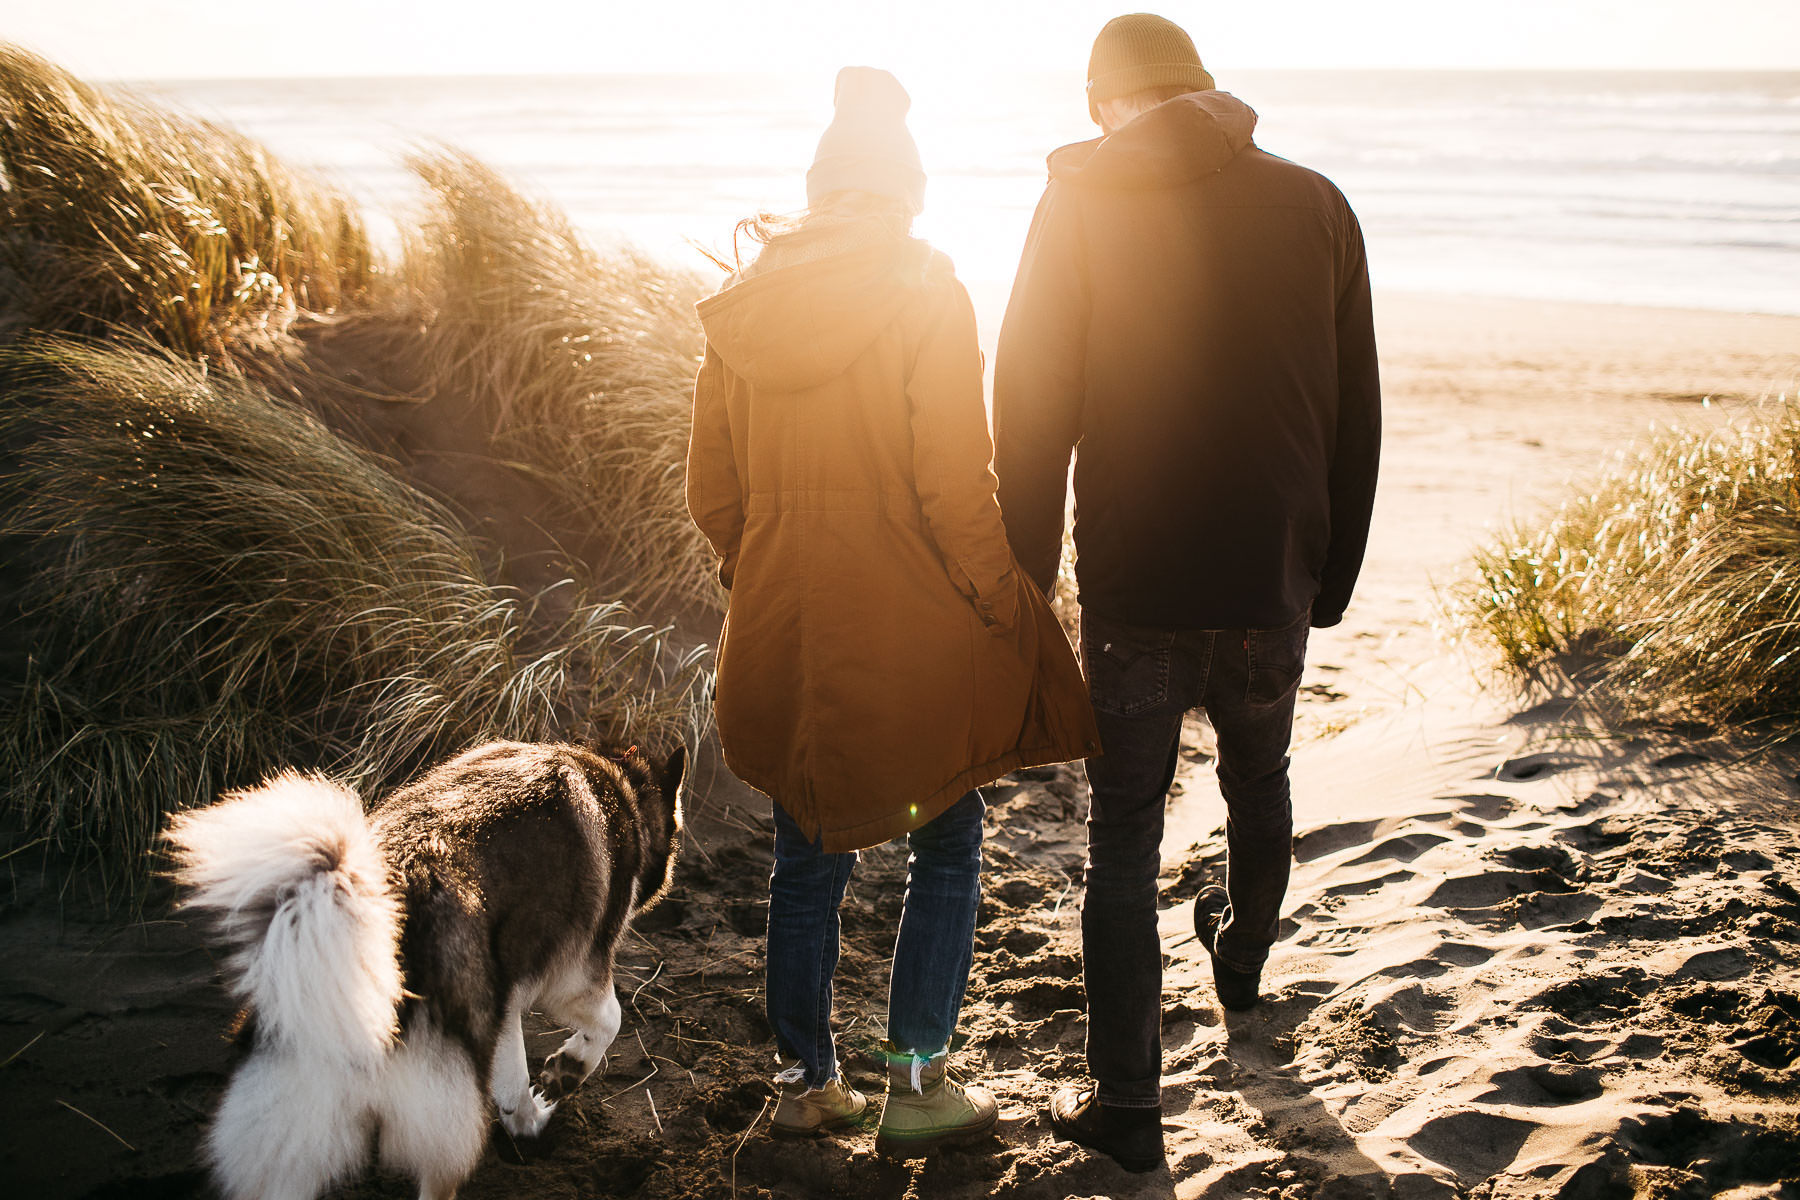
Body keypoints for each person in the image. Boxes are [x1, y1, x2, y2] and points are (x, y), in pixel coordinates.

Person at [993, 13, 1382, 1173]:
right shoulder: (1316, 203)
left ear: (1107, 102)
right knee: (1260, 776)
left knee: (1122, 836)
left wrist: (1027, 575)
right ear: (1205, 91)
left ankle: (1128, 1110)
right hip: (1271, 577)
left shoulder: (1080, 202)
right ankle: (1245, 966)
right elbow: (1355, 411)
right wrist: (1331, 575)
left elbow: (1028, 404)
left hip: (1137, 583)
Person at [686, 66, 1099, 1157]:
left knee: (804, 853)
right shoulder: (925, 286)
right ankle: (916, 1083)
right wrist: (997, 600)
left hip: (784, 632)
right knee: (950, 838)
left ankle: (801, 1087)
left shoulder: (743, 305)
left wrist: (767, 570)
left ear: (820, 188)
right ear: (905, 190)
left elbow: (710, 494)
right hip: (906, 632)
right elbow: (954, 482)